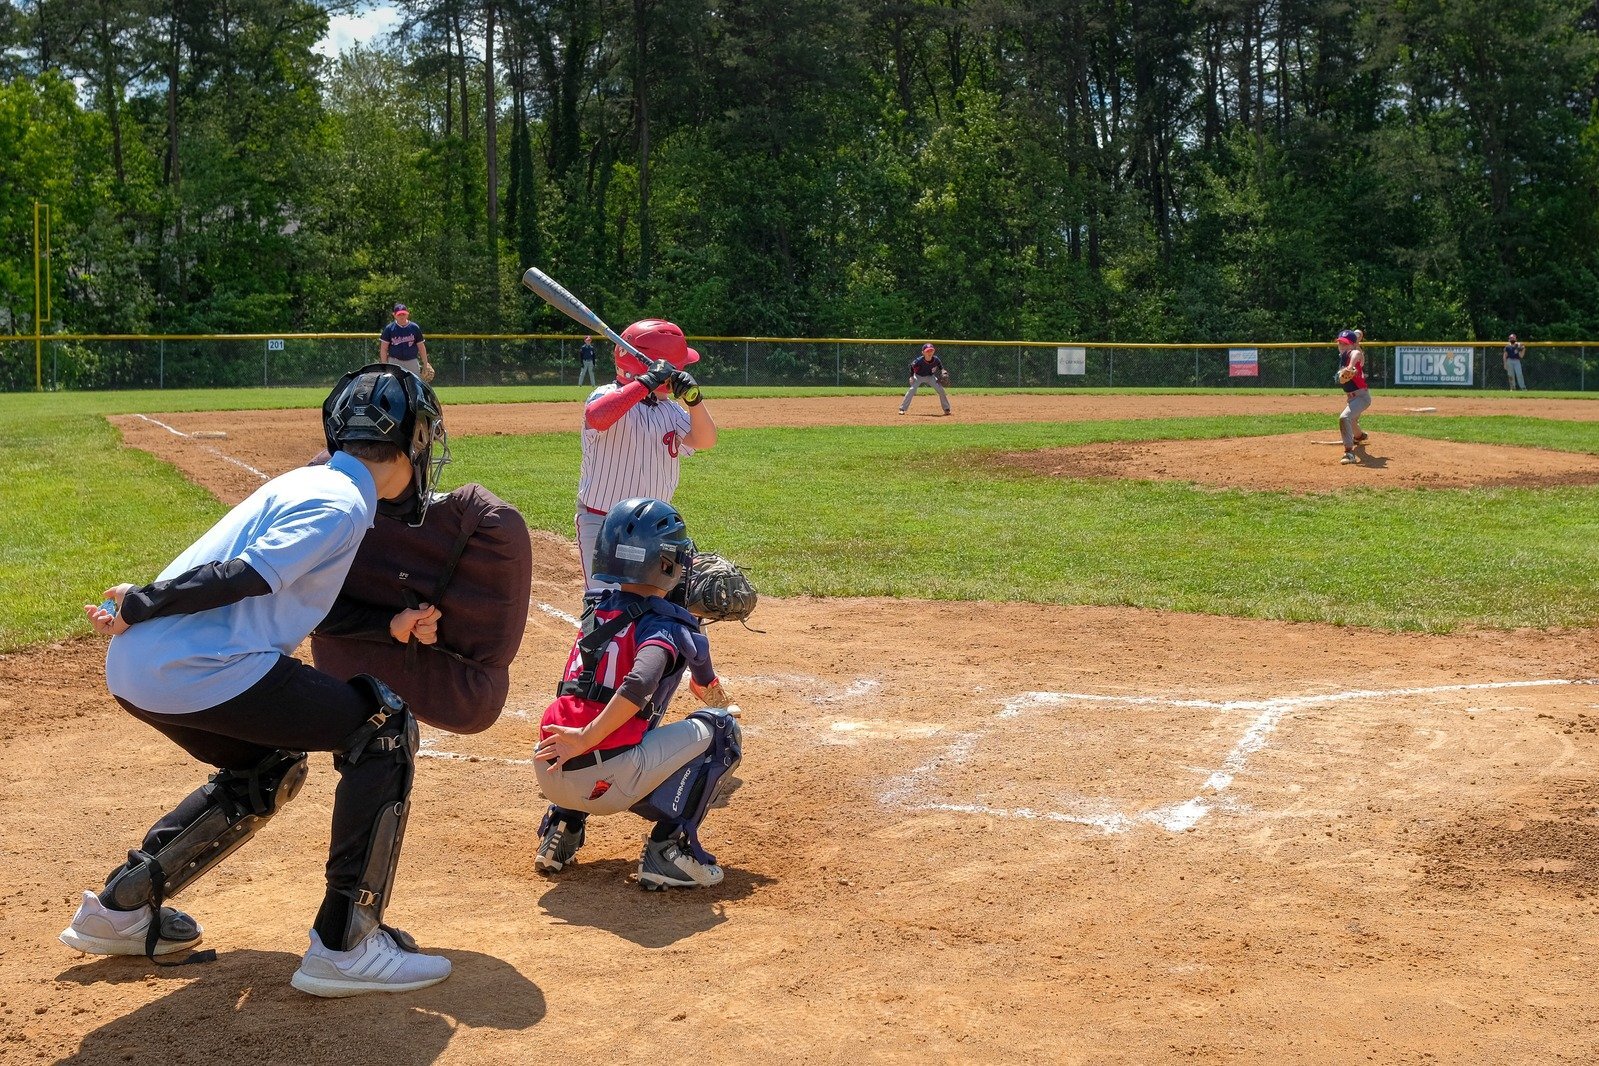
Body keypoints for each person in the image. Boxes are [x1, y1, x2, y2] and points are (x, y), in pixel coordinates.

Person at [64, 363, 455, 998]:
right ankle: (346, 944)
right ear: (411, 441)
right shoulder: (340, 504)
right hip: (203, 668)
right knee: (382, 727)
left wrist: (391, 623)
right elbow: (245, 574)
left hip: (141, 670)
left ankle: (121, 910)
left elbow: (290, 592)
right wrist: (143, 600)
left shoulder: (311, 485)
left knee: (266, 765)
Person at [532, 498, 743, 890]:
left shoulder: (595, 611)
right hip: (604, 781)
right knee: (723, 731)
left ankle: (563, 824)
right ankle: (668, 851)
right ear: (666, 563)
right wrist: (586, 738)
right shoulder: (667, 628)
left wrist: (581, 738)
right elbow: (642, 683)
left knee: (591, 701)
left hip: (551, 768)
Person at [575, 319, 717, 592]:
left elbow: (705, 439)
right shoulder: (606, 395)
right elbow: (598, 417)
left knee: (658, 604)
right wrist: (646, 383)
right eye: (677, 367)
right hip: (604, 524)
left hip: (654, 530)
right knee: (606, 604)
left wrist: (695, 401)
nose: (680, 373)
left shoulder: (671, 411)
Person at [1335, 329, 1371, 465]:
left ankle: (1349, 453)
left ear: (1351, 345)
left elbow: (1356, 353)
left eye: (1345, 344)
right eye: (1340, 343)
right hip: (1351, 398)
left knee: (1344, 417)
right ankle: (1359, 436)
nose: (1342, 346)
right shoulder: (1343, 355)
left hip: (1362, 397)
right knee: (1353, 420)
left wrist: (1350, 367)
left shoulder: (1352, 354)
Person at [380, 304, 433, 381]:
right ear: (394, 315)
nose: (402, 316)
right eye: (399, 314)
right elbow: (383, 349)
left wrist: (425, 363)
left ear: (407, 314)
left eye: (403, 314)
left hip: (412, 361)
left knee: (415, 384)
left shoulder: (414, 327)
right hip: (395, 361)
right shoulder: (389, 329)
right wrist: (384, 365)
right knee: (394, 384)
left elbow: (421, 347)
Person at [899, 342, 951, 415]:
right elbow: (911, 366)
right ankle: (902, 408)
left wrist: (943, 371)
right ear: (923, 352)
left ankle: (946, 409)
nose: (929, 352)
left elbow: (940, 367)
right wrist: (911, 376)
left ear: (934, 351)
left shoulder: (936, 359)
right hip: (918, 376)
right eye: (927, 351)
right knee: (912, 390)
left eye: (931, 350)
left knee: (941, 390)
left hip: (930, 377)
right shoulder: (919, 360)